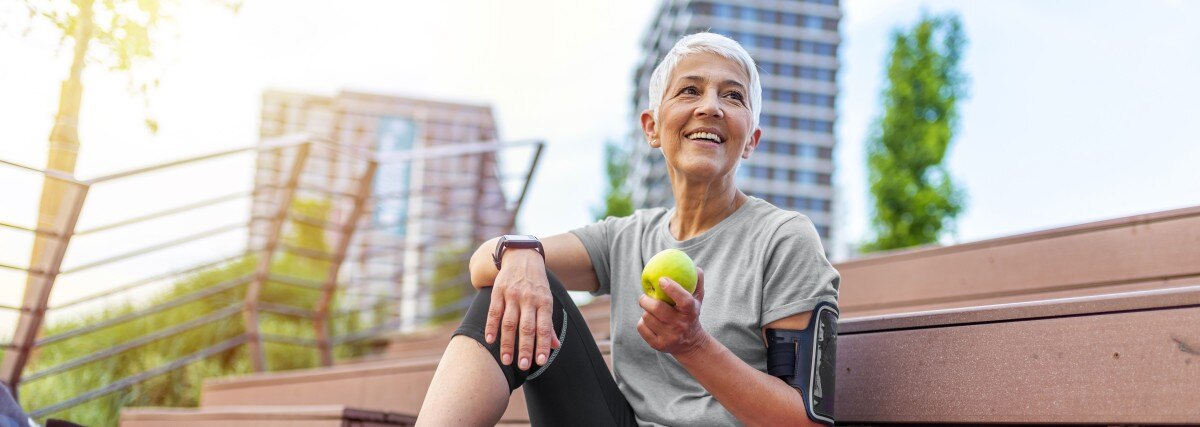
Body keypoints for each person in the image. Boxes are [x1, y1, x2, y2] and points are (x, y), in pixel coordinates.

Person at [416, 32, 840, 427]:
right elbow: (481, 264)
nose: (711, 106)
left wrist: (693, 345)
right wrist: (520, 255)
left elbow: (803, 419)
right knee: (511, 282)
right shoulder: (624, 238)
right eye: (690, 90)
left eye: (733, 96)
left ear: (751, 139)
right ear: (652, 127)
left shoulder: (784, 239)